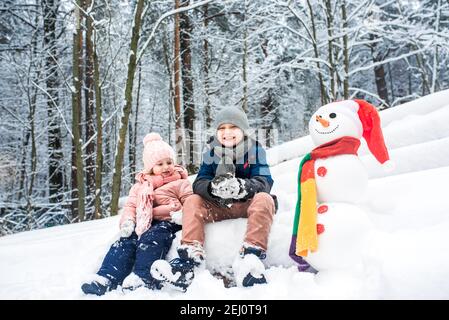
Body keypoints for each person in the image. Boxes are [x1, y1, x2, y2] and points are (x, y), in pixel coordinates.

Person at [150, 107, 276, 291]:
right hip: (219, 206)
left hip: (245, 204)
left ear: (242, 130)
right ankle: (189, 257)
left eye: (232, 127)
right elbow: (199, 182)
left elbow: (265, 180)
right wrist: (212, 188)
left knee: (265, 198)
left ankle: (251, 256)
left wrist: (243, 187)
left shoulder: (256, 150)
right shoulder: (211, 152)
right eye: (222, 128)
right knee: (193, 200)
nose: (227, 132)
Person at [81, 133, 192, 295]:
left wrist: (183, 214)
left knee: (152, 238)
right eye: (160, 164)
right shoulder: (141, 186)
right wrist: (128, 222)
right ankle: (106, 277)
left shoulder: (180, 182)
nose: (166, 167)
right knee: (124, 242)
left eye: (169, 162)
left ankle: (143, 277)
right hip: (143, 223)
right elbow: (131, 207)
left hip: (169, 221)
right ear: (150, 167)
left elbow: (189, 200)